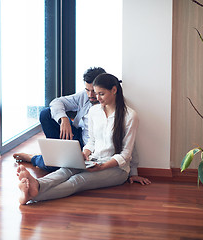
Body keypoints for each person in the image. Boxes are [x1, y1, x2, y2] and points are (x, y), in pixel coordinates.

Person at [17, 73, 142, 204]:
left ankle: (34, 194)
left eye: (101, 94)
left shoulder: (130, 116)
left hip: (117, 170)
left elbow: (126, 154)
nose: (96, 98)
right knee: (66, 170)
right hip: (94, 160)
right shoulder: (94, 111)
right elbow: (92, 141)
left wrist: (104, 166)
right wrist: (84, 153)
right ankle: (36, 184)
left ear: (114, 90)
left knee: (78, 180)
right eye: (95, 93)